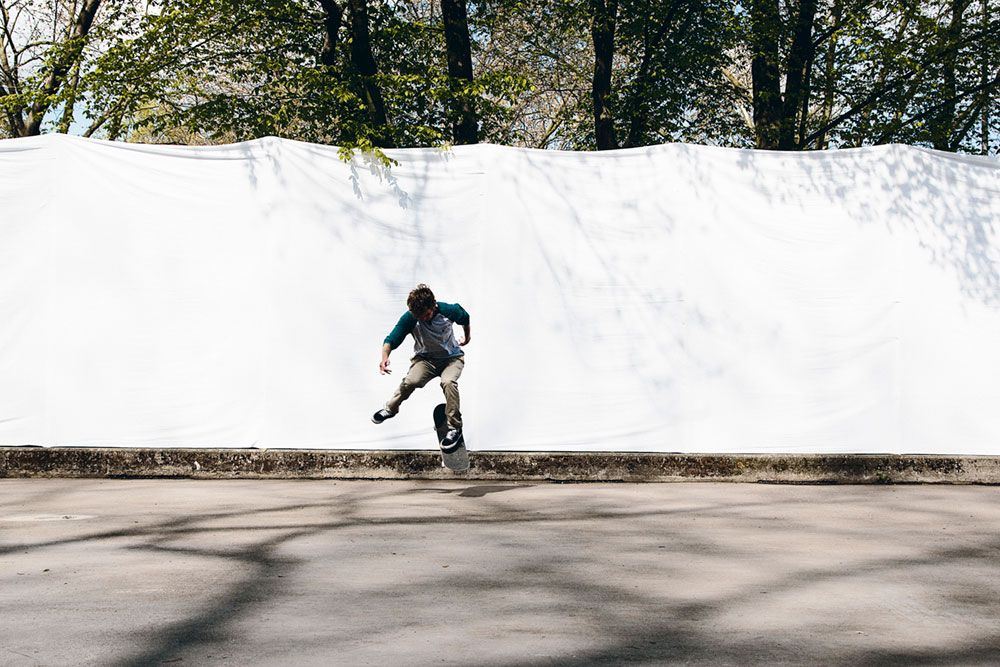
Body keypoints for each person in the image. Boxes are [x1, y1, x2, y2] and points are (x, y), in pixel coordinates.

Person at [372, 284, 470, 447]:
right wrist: (384, 358)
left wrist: (467, 339)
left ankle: (455, 429)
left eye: (426, 315)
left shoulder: (448, 310)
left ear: (434, 305)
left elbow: (465, 318)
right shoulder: (411, 317)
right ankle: (390, 409)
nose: (423, 319)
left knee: (448, 382)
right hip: (426, 360)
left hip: (452, 359)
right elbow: (391, 339)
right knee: (411, 381)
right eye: (420, 316)